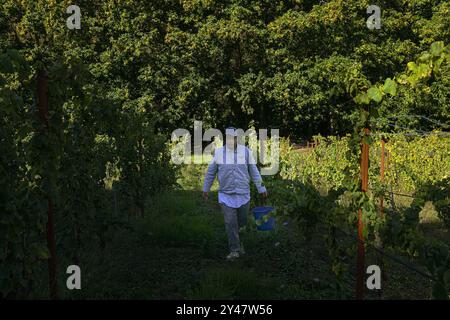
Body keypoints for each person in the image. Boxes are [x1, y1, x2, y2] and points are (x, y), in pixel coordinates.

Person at [202, 127, 268, 260]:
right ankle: (234, 250)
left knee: (242, 223)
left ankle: (240, 244)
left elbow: (254, 171)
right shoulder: (219, 153)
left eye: (234, 138)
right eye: (229, 138)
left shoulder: (246, 152)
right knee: (230, 223)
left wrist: (262, 188)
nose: (232, 140)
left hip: (243, 194)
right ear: (226, 138)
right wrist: (206, 189)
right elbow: (210, 172)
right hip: (226, 195)